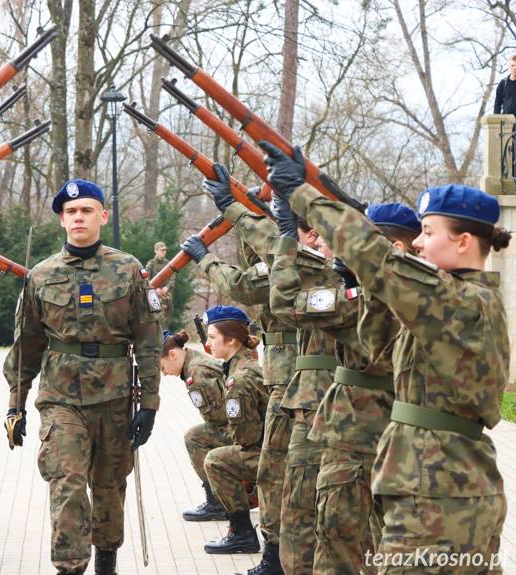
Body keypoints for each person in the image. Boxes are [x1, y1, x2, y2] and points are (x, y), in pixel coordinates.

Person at [262, 141, 512, 574]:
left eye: (429, 233)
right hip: (428, 485)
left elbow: (378, 260)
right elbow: (375, 344)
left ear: (465, 241)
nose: (418, 243)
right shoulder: (442, 304)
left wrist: (304, 193)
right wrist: (372, 282)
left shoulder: (461, 301)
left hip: (442, 493)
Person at [3, 178, 162, 575]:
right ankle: (70, 567)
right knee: (67, 483)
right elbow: (26, 346)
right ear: (61, 220)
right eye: (71, 212)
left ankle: (106, 561)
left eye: (86, 210)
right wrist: (14, 407)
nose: (78, 217)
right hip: (61, 398)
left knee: (110, 487)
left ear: (102, 216)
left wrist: (150, 404)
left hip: (115, 397)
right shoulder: (41, 275)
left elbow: (148, 340)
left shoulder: (128, 269)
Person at [182, 163, 298, 575]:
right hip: (292, 380)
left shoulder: (299, 259)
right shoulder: (289, 255)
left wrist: (234, 214)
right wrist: (248, 210)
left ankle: (274, 553)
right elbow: (258, 263)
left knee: (275, 473)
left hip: (299, 384)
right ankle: (269, 547)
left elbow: (250, 284)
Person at [200, 305, 267, 555]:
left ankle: (241, 533)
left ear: (231, 339)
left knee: (216, 460)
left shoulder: (238, 379)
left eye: (212, 337)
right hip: (275, 446)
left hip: (271, 454)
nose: (208, 344)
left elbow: (247, 437)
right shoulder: (244, 366)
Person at [159, 328, 232, 522]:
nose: (164, 374)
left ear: (172, 355)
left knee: (195, 438)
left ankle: (218, 501)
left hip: (244, 428)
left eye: (162, 367)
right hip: (246, 423)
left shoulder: (196, 374)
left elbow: (220, 418)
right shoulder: (194, 360)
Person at [145, 241, 173, 326]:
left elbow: (172, 278)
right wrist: (154, 289)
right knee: (157, 318)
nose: (164, 252)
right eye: (161, 250)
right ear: (156, 251)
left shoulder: (168, 263)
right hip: (154, 294)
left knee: (168, 314)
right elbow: (146, 279)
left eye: (165, 250)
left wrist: (167, 287)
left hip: (166, 294)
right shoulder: (151, 264)